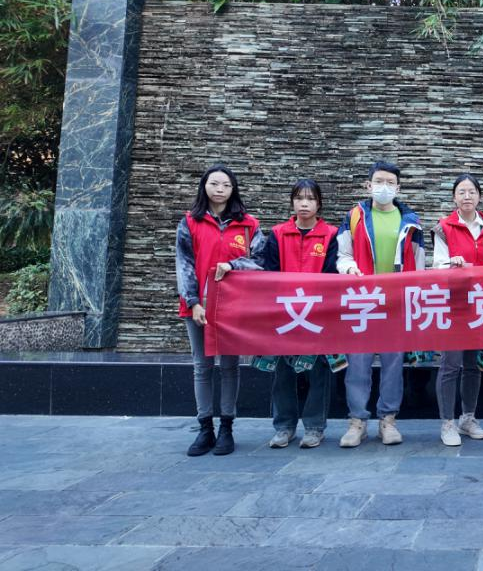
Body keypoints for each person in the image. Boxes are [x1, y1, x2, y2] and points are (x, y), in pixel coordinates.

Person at [175, 164, 264, 457]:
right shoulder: (190, 222)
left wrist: (233, 265)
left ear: (233, 189)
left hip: (233, 308)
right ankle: (205, 428)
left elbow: (262, 260)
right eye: (214, 183)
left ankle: (227, 427)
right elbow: (184, 264)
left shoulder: (248, 224)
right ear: (204, 186)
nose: (219, 189)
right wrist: (193, 302)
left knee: (229, 367)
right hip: (198, 307)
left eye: (226, 185)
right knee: (202, 367)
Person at [336, 161, 425, 448]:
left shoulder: (410, 221)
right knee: (358, 364)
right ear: (368, 185)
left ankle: (388, 420)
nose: (383, 187)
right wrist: (348, 268)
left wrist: (416, 298)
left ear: (398, 188)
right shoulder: (354, 217)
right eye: (378, 181)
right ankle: (357, 421)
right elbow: (343, 254)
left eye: (390, 182)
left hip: (395, 303)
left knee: (393, 364)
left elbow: (419, 264)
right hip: (362, 301)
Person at [259, 179, 339, 449]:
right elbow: (269, 274)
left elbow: (331, 275)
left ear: (319, 204)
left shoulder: (331, 235)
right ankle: (284, 426)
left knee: (318, 371)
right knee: (283, 372)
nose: (304, 204)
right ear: (292, 202)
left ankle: (315, 427)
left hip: (317, 313)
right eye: (299, 198)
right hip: (285, 313)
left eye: (310, 199)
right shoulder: (278, 234)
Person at [431, 173, 483, 446]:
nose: (467, 196)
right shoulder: (443, 228)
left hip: (481, 304)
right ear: (454, 197)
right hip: (452, 304)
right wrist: (452, 264)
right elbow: (437, 265)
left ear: (479, 196)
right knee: (450, 364)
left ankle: (468, 418)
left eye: (472, 191)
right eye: (461, 192)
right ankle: (447, 422)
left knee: (473, 365)